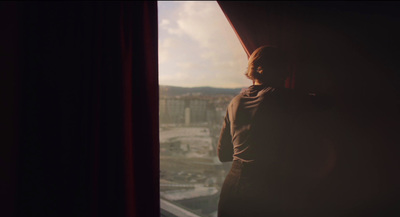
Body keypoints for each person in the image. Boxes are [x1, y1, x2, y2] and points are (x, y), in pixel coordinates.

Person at [217, 46, 333, 217]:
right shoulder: (282, 97)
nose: (286, 75)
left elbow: (223, 154)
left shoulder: (235, 101)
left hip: (231, 189)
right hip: (264, 191)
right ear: (268, 69)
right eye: (284, 69)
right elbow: (326, 102)